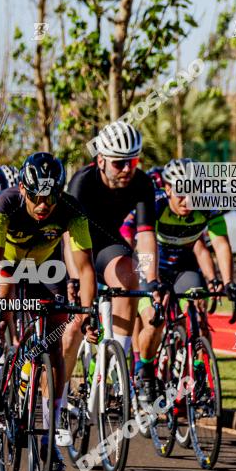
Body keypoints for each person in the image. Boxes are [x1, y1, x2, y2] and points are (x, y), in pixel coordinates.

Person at [0, 151, 98, 471]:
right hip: (7, 266)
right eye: (35, 196)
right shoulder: (4, 205)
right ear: (23, 189)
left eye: (50, 197)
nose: (42, 204)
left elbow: (86, 267)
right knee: (3, 302)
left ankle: (48, 439)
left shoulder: (71, 209)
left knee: (55, 346)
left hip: (47, 271)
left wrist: (88, 312)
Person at [66, 120, 165, 404]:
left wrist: (153, 279)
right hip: (77, 244)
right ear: (101, 160)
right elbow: (68, 237)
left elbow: (145, 237)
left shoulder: (142, 183)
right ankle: (59, 401)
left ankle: (118, 367)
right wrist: (74, 280)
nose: (127, 169)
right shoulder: (82, 183)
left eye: (132, 161)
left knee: (129, 273)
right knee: (74, 322)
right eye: (119, 164)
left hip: (108, 245)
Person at [154, 158, 236, 342]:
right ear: (168, 188)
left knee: (197, 313)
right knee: (151, 320)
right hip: (155, 264)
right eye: (181, 192)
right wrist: (151, 280)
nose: (187, 200)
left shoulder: (207, 205)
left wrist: (228, 282)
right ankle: (143, 366)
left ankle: (200, 365)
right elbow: (140, 244)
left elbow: (219, 244)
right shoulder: (156, 205)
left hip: (184, 265)